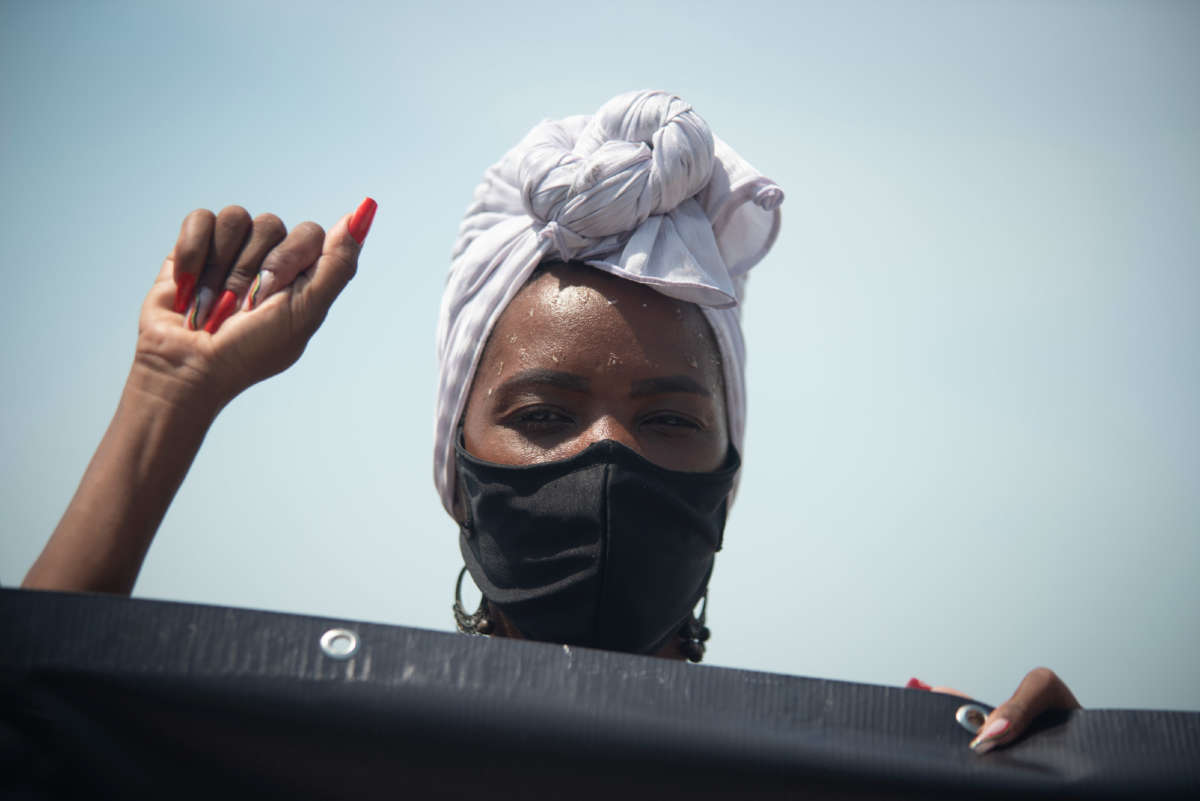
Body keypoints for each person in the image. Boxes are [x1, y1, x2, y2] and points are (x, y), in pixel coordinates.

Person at [21, 89, 1078, 756]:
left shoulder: (843, 767)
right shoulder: (320, 758)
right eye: (541, 415)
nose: (609, 453)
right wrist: (169, 395)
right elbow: (26, 725)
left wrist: (1056, 765)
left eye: (667, 420)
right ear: (457, 468)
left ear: (726, 474)